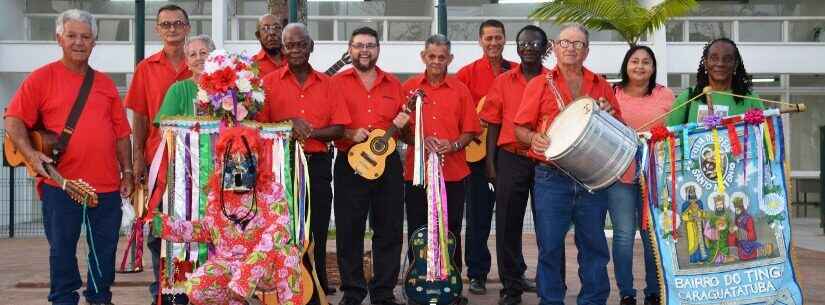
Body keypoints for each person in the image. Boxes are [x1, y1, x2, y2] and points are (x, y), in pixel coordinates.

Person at [4, 9, 133, 305]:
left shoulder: (105, 84)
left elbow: (121, 133)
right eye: (72, 35)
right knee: (61, 249)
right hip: (60, 185)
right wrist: (30, 153)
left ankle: (100, 298)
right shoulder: (41, 78)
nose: (79, 42)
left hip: (107, 186)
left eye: (86, 37)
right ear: (58, 38)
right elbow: (13, 119)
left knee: (105, 249)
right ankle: (63, 299)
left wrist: (127, 172)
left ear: (94, 42)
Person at [513, 23, 621, 305]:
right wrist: (533, 138)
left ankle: (594, 300)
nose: (571, 48)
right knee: (549, 247)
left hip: (591, 178)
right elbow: (519, 130)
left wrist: (609, 116)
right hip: (551, 178)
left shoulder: (601, 85)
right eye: (565, 43)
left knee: (594, 247)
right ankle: (550, 300)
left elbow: (620, 128)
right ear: (554, 47)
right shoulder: (538, 84)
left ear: (586, 50)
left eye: (577, 44)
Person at [150, 127, 304, 305]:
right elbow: (207, 230)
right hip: (228, 264)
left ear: (257, 161)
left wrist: (246, 276)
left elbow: (280, 232)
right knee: (196, 289)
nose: (239, 168)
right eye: (232, 161)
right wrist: (162, 224)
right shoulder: (217, 196)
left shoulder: (272, 191)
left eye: (245, 160)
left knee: (288, 253)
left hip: (265, 267)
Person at [257, 22, 351, 305]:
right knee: (281, 229)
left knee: (317, 230)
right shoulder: (268, 83)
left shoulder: (329, 84)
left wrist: (306, 131)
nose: (295, 50)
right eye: (289, 45)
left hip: (317, 165)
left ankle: (319, 289)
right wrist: (289, 126)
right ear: (282, 49)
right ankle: (281, 288)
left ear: (311, 47)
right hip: (280, 167)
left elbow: (339, 129)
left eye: (301, 44)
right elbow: (259, 127)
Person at [331, 26, 410, 305]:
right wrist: (348, 134)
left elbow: (406, 132)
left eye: (370, 45)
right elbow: (327, 123)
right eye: (359, 45)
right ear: (349, 49)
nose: (365, 50)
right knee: (349, 230)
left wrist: (404, 125)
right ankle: (352, 292)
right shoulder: (336, 84)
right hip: (349, 164)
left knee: (388, 230)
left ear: (378, 49)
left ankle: (383, 293)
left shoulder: (393, 84)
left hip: (387, 166)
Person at [401, 34, 481, 305]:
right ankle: (417, 287)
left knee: (451, 232)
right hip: (417, 174)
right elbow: (399, 130)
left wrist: (454, 143)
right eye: (431, 56)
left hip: (453, 174)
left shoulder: (460, 90)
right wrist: (419, 140)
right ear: (424, 56)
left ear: (450, 59)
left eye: (442, 57)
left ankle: (452, 289)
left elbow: (471, 131)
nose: (436, 61)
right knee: (417, 231)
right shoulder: (410, 88)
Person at [123, 5, 192, 303]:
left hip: (198, 165)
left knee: (193, 231)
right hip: (158, 163)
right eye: (166, 24)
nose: (172, 28)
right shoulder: (146, 67)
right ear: (157, 29)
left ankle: (192, 290)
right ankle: (162, 292)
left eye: (178, 23)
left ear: (188, 27)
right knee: (159, 232)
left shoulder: (201, 63)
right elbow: (139, 118)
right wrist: (138, 158)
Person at [479, 25, 548, 305]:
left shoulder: (554, 80)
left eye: (534, 44)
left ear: (545, 48)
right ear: (516, 48)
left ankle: (548, 284)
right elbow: (493, 123)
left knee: (548, 227)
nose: (529, 48)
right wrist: (491, 165)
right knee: (508, 225)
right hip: (510, 159)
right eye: (523, 44)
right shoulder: (504, 81)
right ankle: (511, 287)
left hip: (547, 161)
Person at [606, 45, 673, 305]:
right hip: (620, 176)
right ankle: (626, 292)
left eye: (646, 62)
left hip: (655, 177)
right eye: (635, 61)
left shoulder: (665, 95)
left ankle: (654, 292)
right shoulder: (612, 94)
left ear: (653, 68)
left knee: (652, 235)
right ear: (626, 65)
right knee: (623, 234)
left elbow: (675, 130)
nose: (640, 66)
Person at [455, 20, 518, 295]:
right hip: (478, 152)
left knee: (512, 217)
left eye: (498, 38)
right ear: (480, 41)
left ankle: (516, 272)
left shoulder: (517, 71)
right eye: (488, 38)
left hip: (509, 151)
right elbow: (457, 109)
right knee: (478, 216)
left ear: (505, 40)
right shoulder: (466, 74)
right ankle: (477, 273)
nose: (494, 43)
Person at [666, 38, 764, 126]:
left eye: (727, 59)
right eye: (714, 58)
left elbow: (766, 138)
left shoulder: (750, 99)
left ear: (735, 64)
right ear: (705, 62)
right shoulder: (688, 97)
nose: (720, 63)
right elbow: (668, 139)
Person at [154, 35, 216, 121]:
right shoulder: (177, 90)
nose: (198, 58)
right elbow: (164, 128)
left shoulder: (228, 89)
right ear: (187, 62)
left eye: (203, 53)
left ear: (214, 57)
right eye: (193, 55)